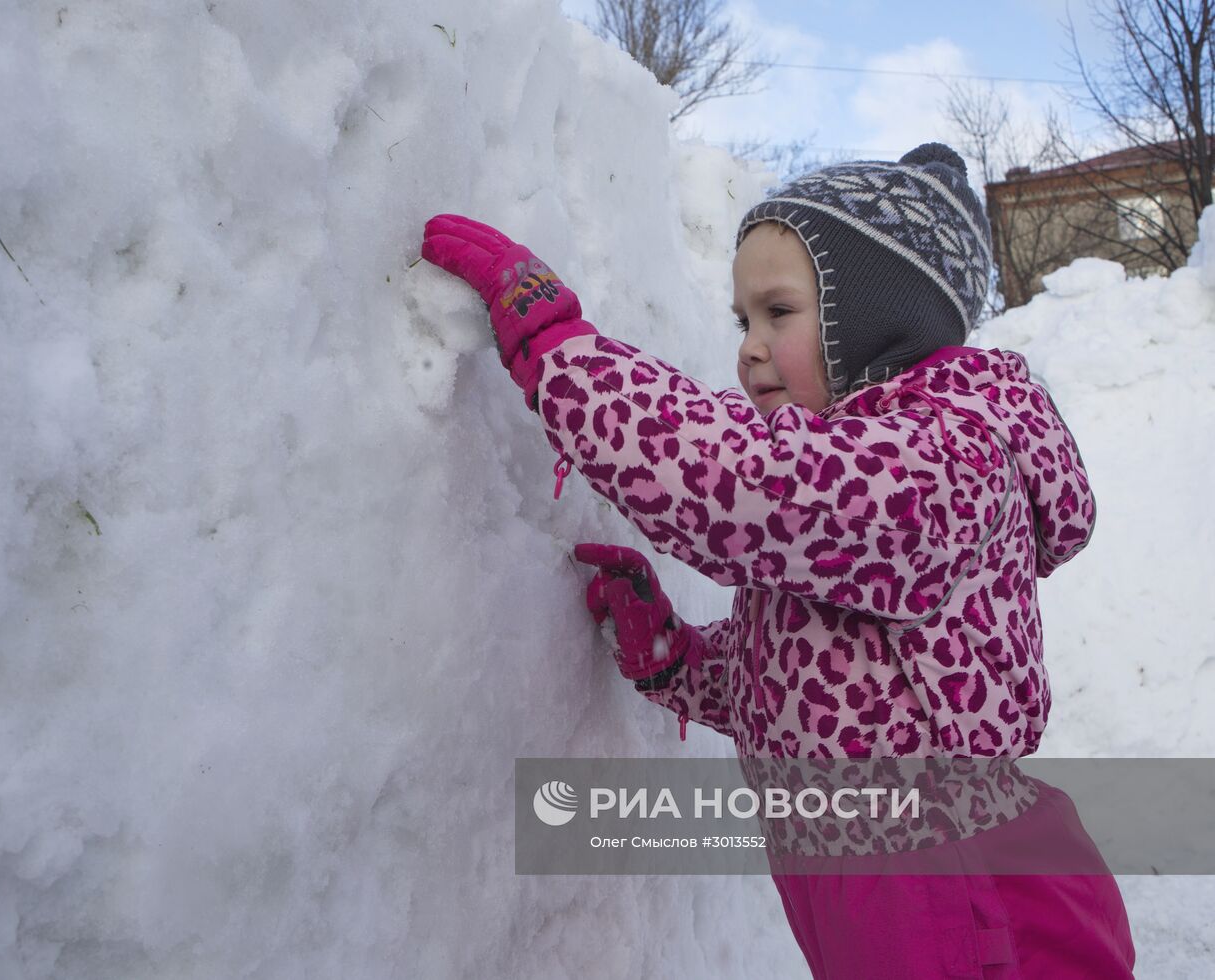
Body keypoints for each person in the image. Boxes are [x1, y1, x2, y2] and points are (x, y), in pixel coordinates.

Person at [420, 142, 1136, 978]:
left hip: (964, 895)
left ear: (873, 322)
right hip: (877, 888)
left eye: (779, 313)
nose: (750, 348)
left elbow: (742, 483)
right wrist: (680, 663)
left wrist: (558, 350)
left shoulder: (945, 461)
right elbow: (814, 684)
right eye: (741, 321)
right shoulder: (856, 501)